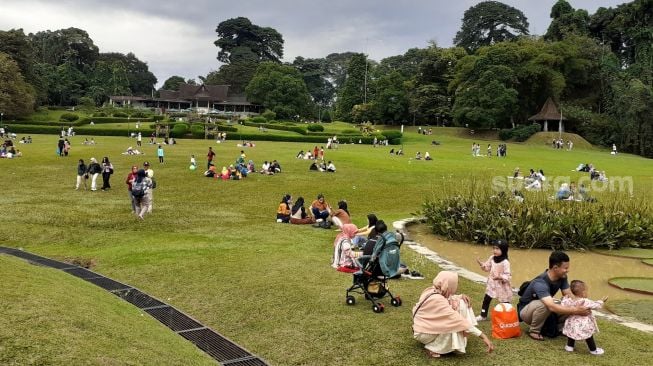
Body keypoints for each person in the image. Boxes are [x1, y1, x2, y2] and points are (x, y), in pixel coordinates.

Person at [412, 271, 494, 358]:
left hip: (421, 330)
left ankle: (450, 340)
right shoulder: (438, 301)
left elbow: (447, 299)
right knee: (453, 323)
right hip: (423, 334)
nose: (457, 285)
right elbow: (458, 320)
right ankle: (433, 348)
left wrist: (460, 296)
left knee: (461, 302)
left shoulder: (431, 290)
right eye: (455, 283)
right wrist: (483, 336)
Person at [518, 251, 592, 341]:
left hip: (543, 309)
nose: (568, 270)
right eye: (565, 268)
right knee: (546, 305)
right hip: (526, 311)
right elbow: (551, 306)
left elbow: (568, 295)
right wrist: (576, 310)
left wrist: (583, 303)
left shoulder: (562, 277)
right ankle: (534, 331)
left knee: (568, 302)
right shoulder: (540, 282)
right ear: (555, 268)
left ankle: (561, 328)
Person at [561, 280, 606, 355]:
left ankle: (569, 347)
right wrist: (601, 301)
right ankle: (593, 350)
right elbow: (596, 305)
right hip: (584, 323)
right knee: (589, 335)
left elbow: (563, 304)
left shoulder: (570, 300)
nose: (587, 293)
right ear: (583, 292)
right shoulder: (585, 301)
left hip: (571, 321)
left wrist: (565, 298)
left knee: (571, 333)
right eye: (586, 291)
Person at [475, 240, 512, 321]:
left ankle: (508, 317)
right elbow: (487, 268)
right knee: (486, 300)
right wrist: (482, 264)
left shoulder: (505, 262)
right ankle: (483, 315)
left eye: (497, 249)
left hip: (502, 286)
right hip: (492, 285)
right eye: (494, 248)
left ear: (504, 250)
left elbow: (508, 276)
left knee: (505, 302)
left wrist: (500, 277)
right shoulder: (492, 258)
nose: (495, 250)